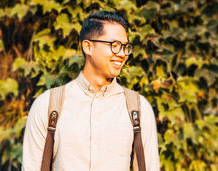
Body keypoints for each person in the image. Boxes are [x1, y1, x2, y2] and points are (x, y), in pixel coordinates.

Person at [22, 11, 160, 171]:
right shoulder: (48, 106)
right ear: (88, 47)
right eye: (115, 46)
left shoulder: (138, 108)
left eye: (125, 47)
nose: (122, 54)